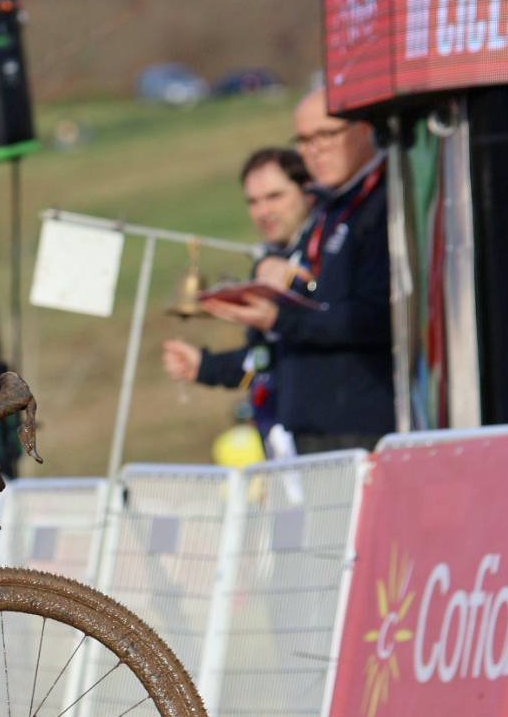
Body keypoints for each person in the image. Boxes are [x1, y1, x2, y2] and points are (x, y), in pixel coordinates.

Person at [202, 88, 395, 452]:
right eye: (304, 140)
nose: (314, 149)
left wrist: (277, 318)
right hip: (308, 427)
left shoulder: (383, 202)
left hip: (361, 428)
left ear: (365, 129)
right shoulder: (333, 209)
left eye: (326, 134)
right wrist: (205, 367)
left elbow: (372, 318)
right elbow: (311, 308)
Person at [161, 147, 315, 446]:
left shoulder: (321, 256)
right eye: (253, 202)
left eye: (275, 196)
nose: (263, 212)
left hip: (331, 435)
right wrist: (204, 366)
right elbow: (265, 359)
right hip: (281, 438)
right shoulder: (269, 261)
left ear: (308, 190)